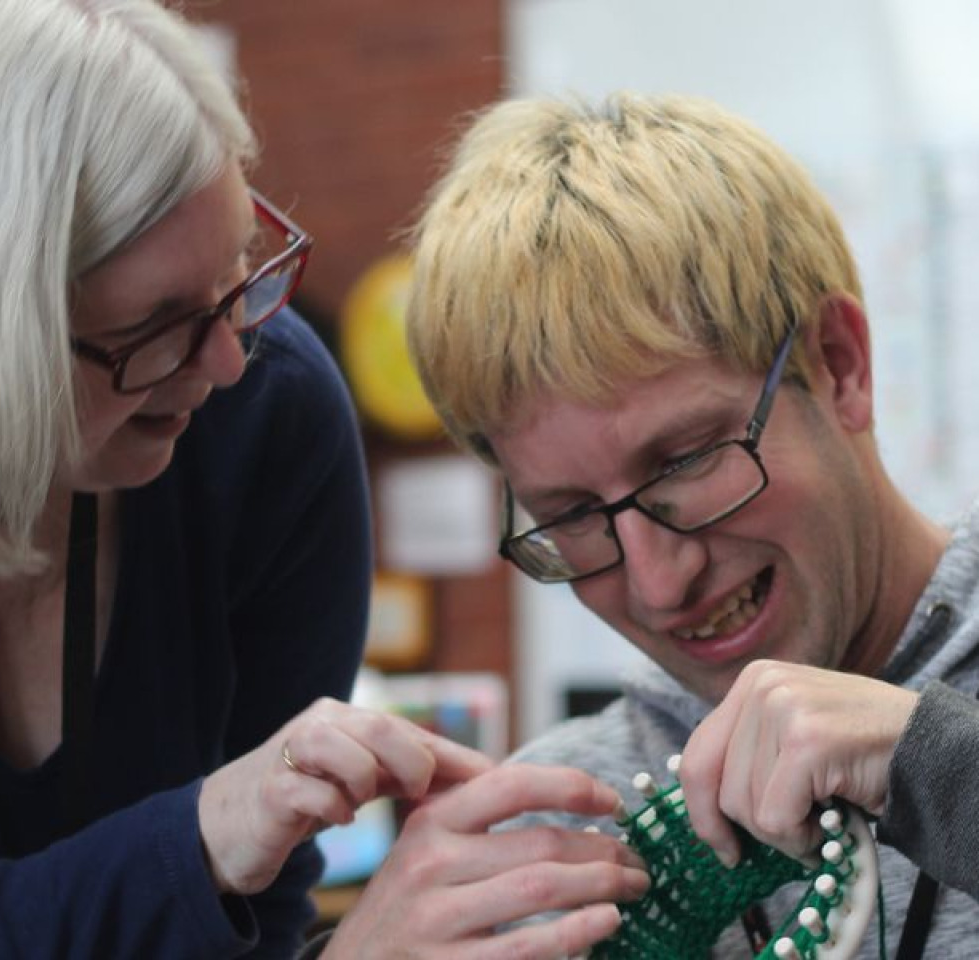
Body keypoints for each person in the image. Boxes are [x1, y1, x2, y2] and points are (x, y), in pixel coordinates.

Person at [0, 2, 653, 957]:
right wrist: (199, 839)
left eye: (242, 270)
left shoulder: (267, 424)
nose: (228, 363)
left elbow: (263, 924)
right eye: (156, 326)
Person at [405, 91, 979, 957]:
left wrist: (938, 767)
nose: (657, 583)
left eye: (684, 462)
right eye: (571, 516)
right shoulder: (551, 832)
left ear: (840, 365)